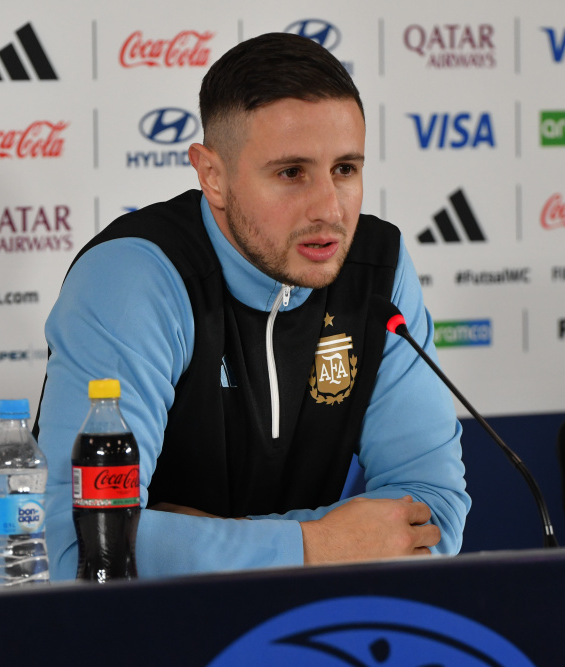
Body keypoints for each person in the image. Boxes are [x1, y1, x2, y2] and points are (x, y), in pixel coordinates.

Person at [35, 32, 470, 579]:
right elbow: (80, 548)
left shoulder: (377, 269)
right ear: (212, 176)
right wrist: (319, 546)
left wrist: (208, 539)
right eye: (292, 173)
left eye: (346, 170)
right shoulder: (134, 277)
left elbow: (435, 510)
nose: (329, 209)